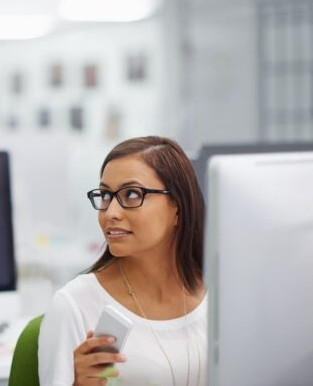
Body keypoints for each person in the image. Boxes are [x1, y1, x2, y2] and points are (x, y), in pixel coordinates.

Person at [38, 136, 207, 386]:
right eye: (106, 196)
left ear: (178, 209)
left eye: (131, 194)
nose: (110, 213)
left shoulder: (218, 296)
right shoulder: (75, 305)